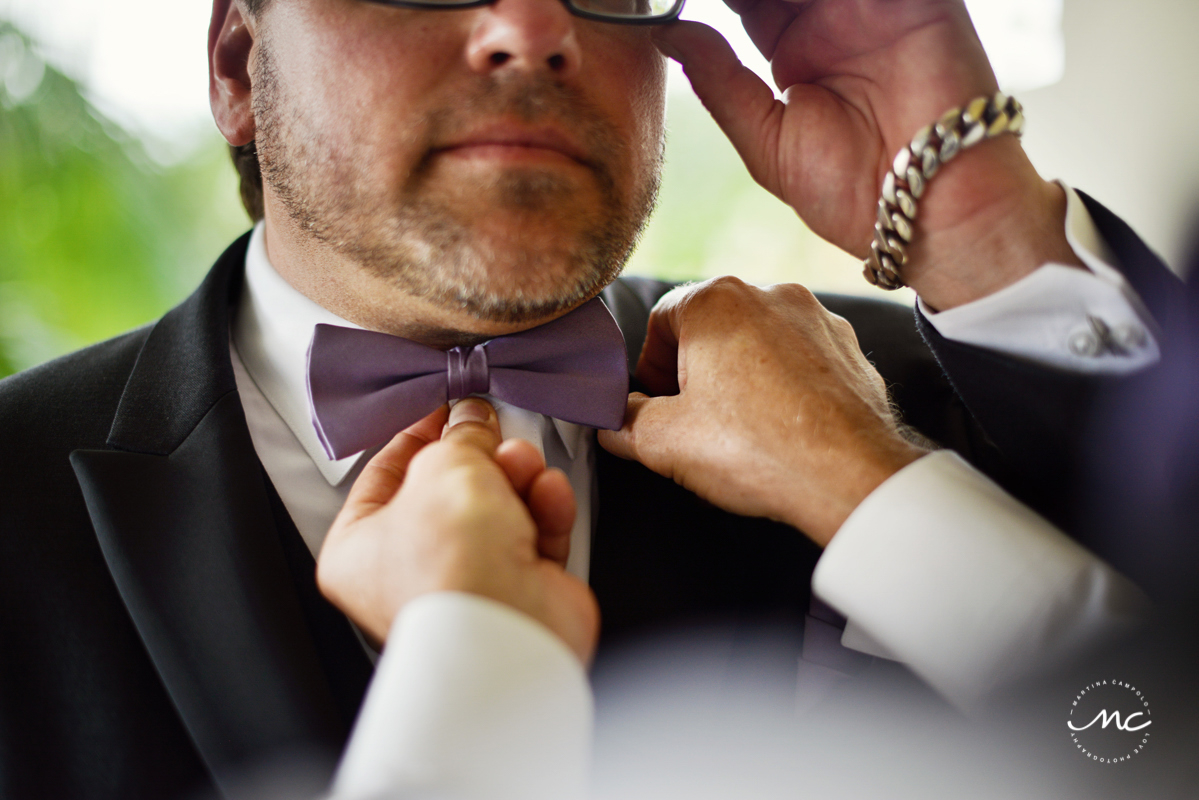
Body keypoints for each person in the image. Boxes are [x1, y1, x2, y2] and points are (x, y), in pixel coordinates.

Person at [0, 0, 1170, 798]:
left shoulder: (907, 404)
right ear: (236, 66)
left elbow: (1143, 728)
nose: (535, 24)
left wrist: (973, 218)